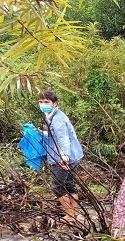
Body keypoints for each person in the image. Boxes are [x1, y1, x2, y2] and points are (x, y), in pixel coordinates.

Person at [38, 90, 84, 223]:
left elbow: (63, 139)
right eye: (41, 102)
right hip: (74, 155)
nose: (43, 104)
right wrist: (44, 132)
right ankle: (75, 214)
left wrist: (64, 159)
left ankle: (70, 215)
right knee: (69, 184)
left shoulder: (57, 119)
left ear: (54, 103)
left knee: (57, 187)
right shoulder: (55, 115)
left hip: (63, 158)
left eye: (46, 102)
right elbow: (58, 134)